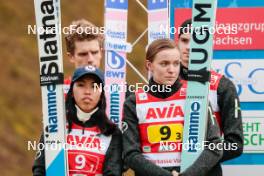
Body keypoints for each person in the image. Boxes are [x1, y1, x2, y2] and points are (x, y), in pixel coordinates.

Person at [122, 38, 223, 176]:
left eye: (176, 63)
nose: (171, 70)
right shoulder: (134, 102)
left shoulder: (196, 95)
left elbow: (215, 145)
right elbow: (130, 154)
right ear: (149, 65)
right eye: (164, 64)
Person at [32, 66, 122, 176]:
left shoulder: (111, 132)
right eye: (81, 85)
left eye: (94, 86)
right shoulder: (55, 126)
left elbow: (112, 173)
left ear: (102, 93)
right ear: (72, 91)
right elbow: (39, 169)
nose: (87, 91)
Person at [178, 19, 243, 163]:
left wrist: (195, 162)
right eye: (184, 40)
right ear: (177, 42)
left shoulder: (222, 86)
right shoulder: (161, 84)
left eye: (196, 42)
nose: (188, 47)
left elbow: (235, 144)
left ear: (206, 46)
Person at [64, 19, 104, 94]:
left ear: (101, 53)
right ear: (71, 57)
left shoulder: (117, 92)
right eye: (83, 54)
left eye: (95, 52)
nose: (90, 59)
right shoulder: (58, 95)